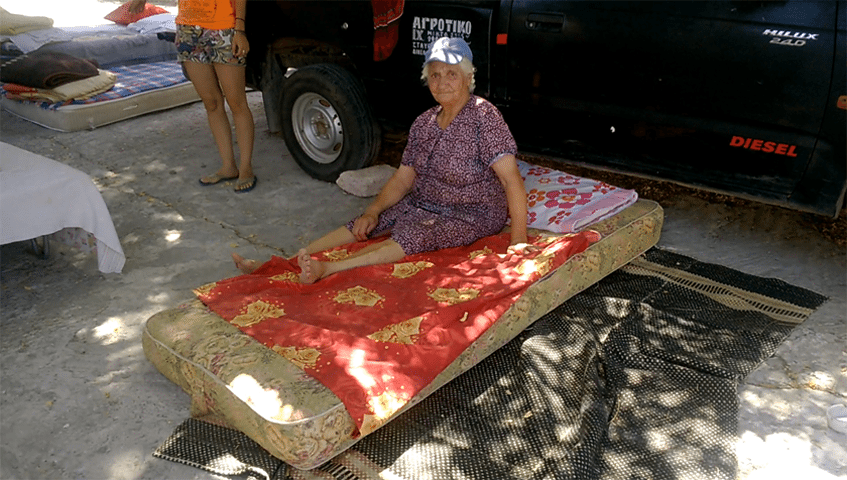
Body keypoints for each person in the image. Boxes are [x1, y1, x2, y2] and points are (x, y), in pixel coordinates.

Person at [233, 37, 529, 283]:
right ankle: (280, 264)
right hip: (422, 203)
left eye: (452, 73)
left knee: (415, 235)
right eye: (435, 75)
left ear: (468, 77)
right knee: (365, 223)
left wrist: (517, 240)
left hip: (470, 213)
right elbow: (403, 178)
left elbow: (510, 179)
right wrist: (372, 211)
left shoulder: (484, 116)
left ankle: (328, 269)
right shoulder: (424, 122)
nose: (442, 83)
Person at [129, 0, 257, 193]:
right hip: (188, 31)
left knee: (237, 102)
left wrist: (239, 30)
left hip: (223, 29)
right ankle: (228, 166)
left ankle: (246, 168)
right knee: (211, 103)